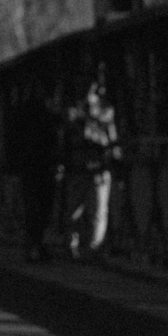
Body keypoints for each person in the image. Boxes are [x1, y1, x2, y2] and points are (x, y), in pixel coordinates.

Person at [66, 81, 119, 257]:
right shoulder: (76, 115)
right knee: (75, 211)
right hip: (80, 168)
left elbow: (112, 140)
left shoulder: (106, 114)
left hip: (98, 169)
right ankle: (75, 245)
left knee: (98, 211)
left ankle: (93, 247)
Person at [6, 88, 60, 261]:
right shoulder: (47, 116)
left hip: (32, 168)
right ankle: (37, 245)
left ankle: (33, 245)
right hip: (42, 168)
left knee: (33, 209)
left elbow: (13, 143)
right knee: (42, 208)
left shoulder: (23, 115)